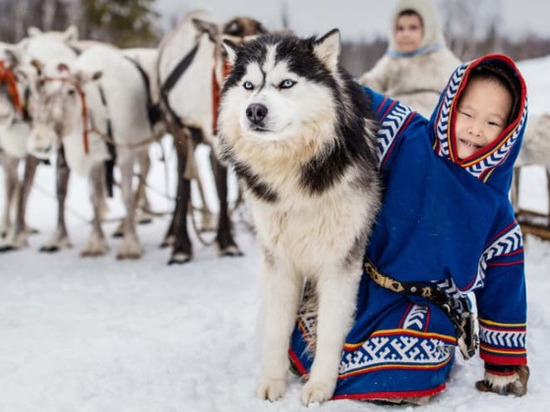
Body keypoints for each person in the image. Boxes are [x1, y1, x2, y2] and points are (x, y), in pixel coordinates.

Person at [289, 54, 529, 405]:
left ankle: (374, 375)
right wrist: (304, 63)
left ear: (510, 131)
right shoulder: (405, 135)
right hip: (363, 284)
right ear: (450, 106)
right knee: (310, 328)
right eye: (467, 114)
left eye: (493, 122)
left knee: (421, 357)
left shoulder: (495, 212)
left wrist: (503, 366)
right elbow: (356, 96)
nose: (476, 129)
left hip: (423, 305)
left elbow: (504, 289)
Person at [359, 0, 461, 118]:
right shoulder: (392, 60)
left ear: (428, 29)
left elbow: (459, 89)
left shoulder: (441, 59)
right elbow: (373, 82)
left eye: (413, 28)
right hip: (395, 118)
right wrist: (360, 86)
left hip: (429, 119)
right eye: (400, 28)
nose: (405, 34)